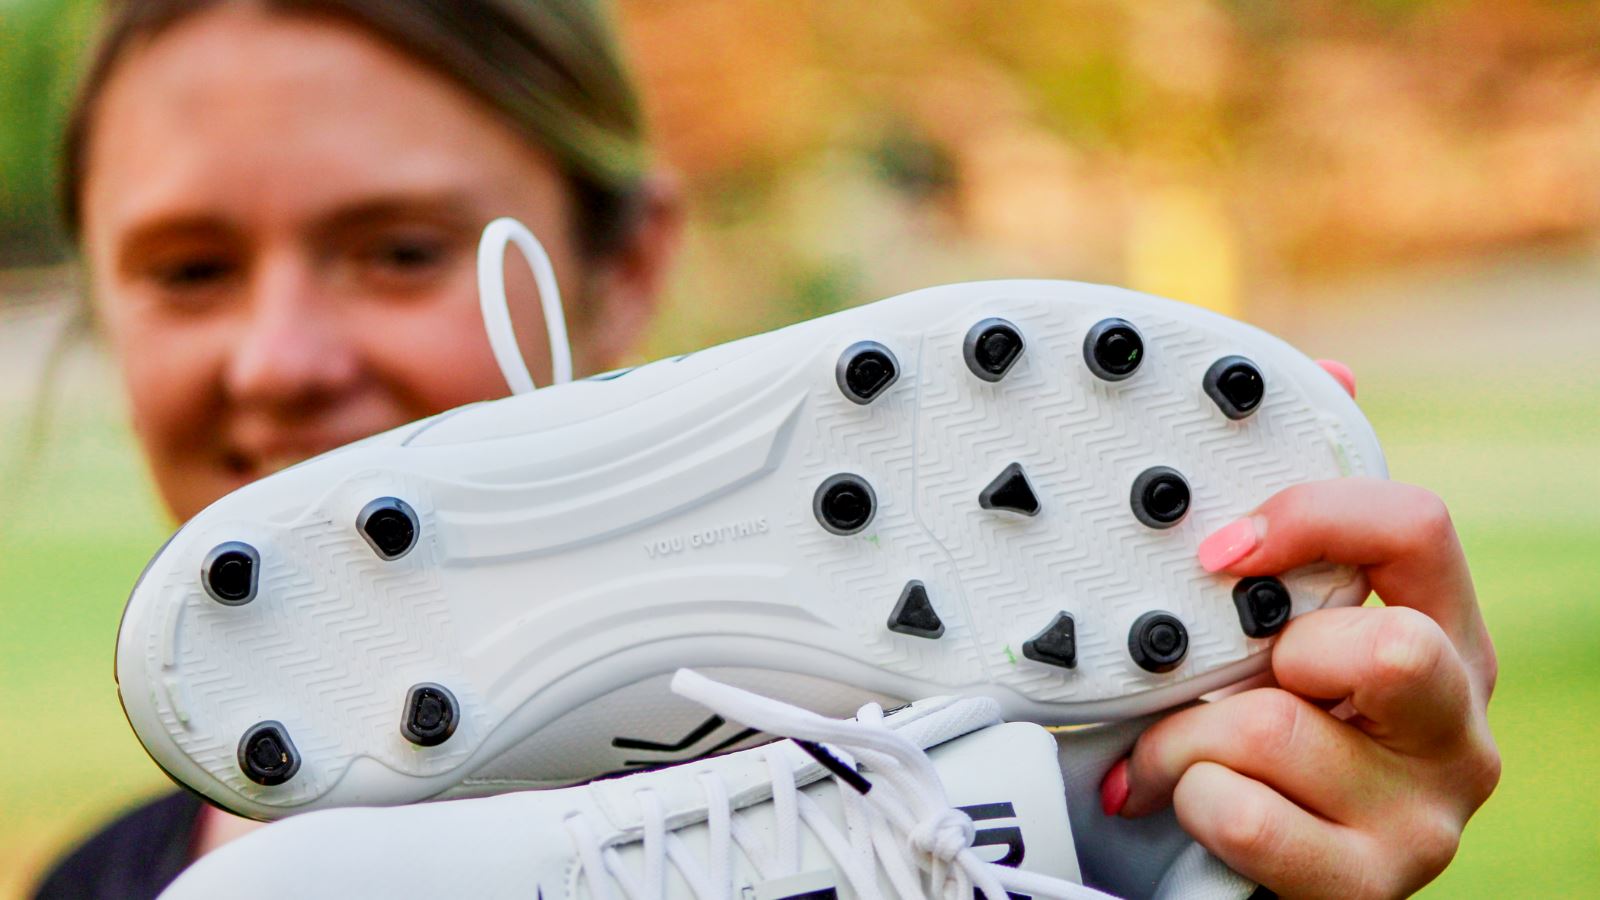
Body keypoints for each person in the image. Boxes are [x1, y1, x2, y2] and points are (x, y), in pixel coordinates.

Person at [34, 1, 1499, 897]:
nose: (282, 358)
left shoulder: (1062, 805)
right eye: (187, 270)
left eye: (400, 250)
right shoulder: (92, 890)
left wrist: (1216, 860)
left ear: (623, 264)